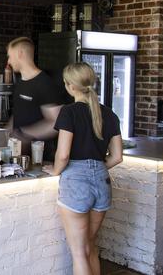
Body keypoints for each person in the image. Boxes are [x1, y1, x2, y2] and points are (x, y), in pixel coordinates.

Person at [43, 62, 123, 275]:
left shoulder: (68, 112)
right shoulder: (109, 113)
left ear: (70, 86)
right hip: (102, 182)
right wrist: (95, 166)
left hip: (76, 183)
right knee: (90, 247)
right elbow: (117, 157)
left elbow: (63, 154)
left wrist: (56, 170)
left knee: (79, 253)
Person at [6, 36, 63, 160]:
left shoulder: (44, 83)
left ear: (20, 54)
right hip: (19, 156)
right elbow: (19, 113)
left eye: (10, 56)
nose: (9, 61)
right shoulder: (21, 82)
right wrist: (6, 133)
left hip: (40, 159)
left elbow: (56, 123)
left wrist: (26, 134)